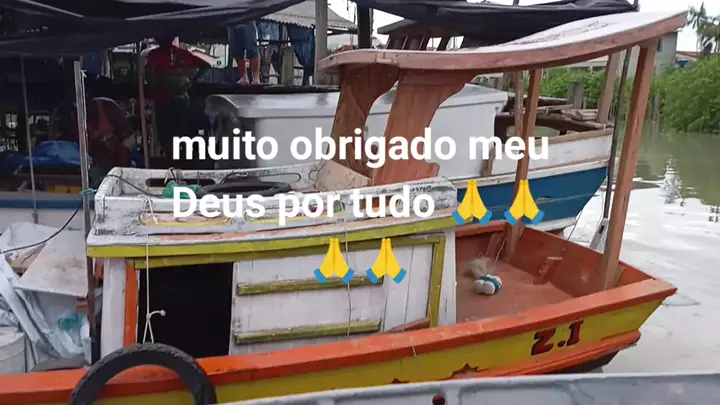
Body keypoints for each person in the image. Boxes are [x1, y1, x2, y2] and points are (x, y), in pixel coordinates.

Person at [145, 36, 210, 159]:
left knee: (177, 138)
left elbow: (205, 65)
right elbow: (150, 77)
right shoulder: (157, 54)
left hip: (175, 102)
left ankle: (181, 163)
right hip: (167, 101)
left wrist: (190, 80)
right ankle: (180, 163)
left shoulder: (178, 53)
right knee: (175, 138)